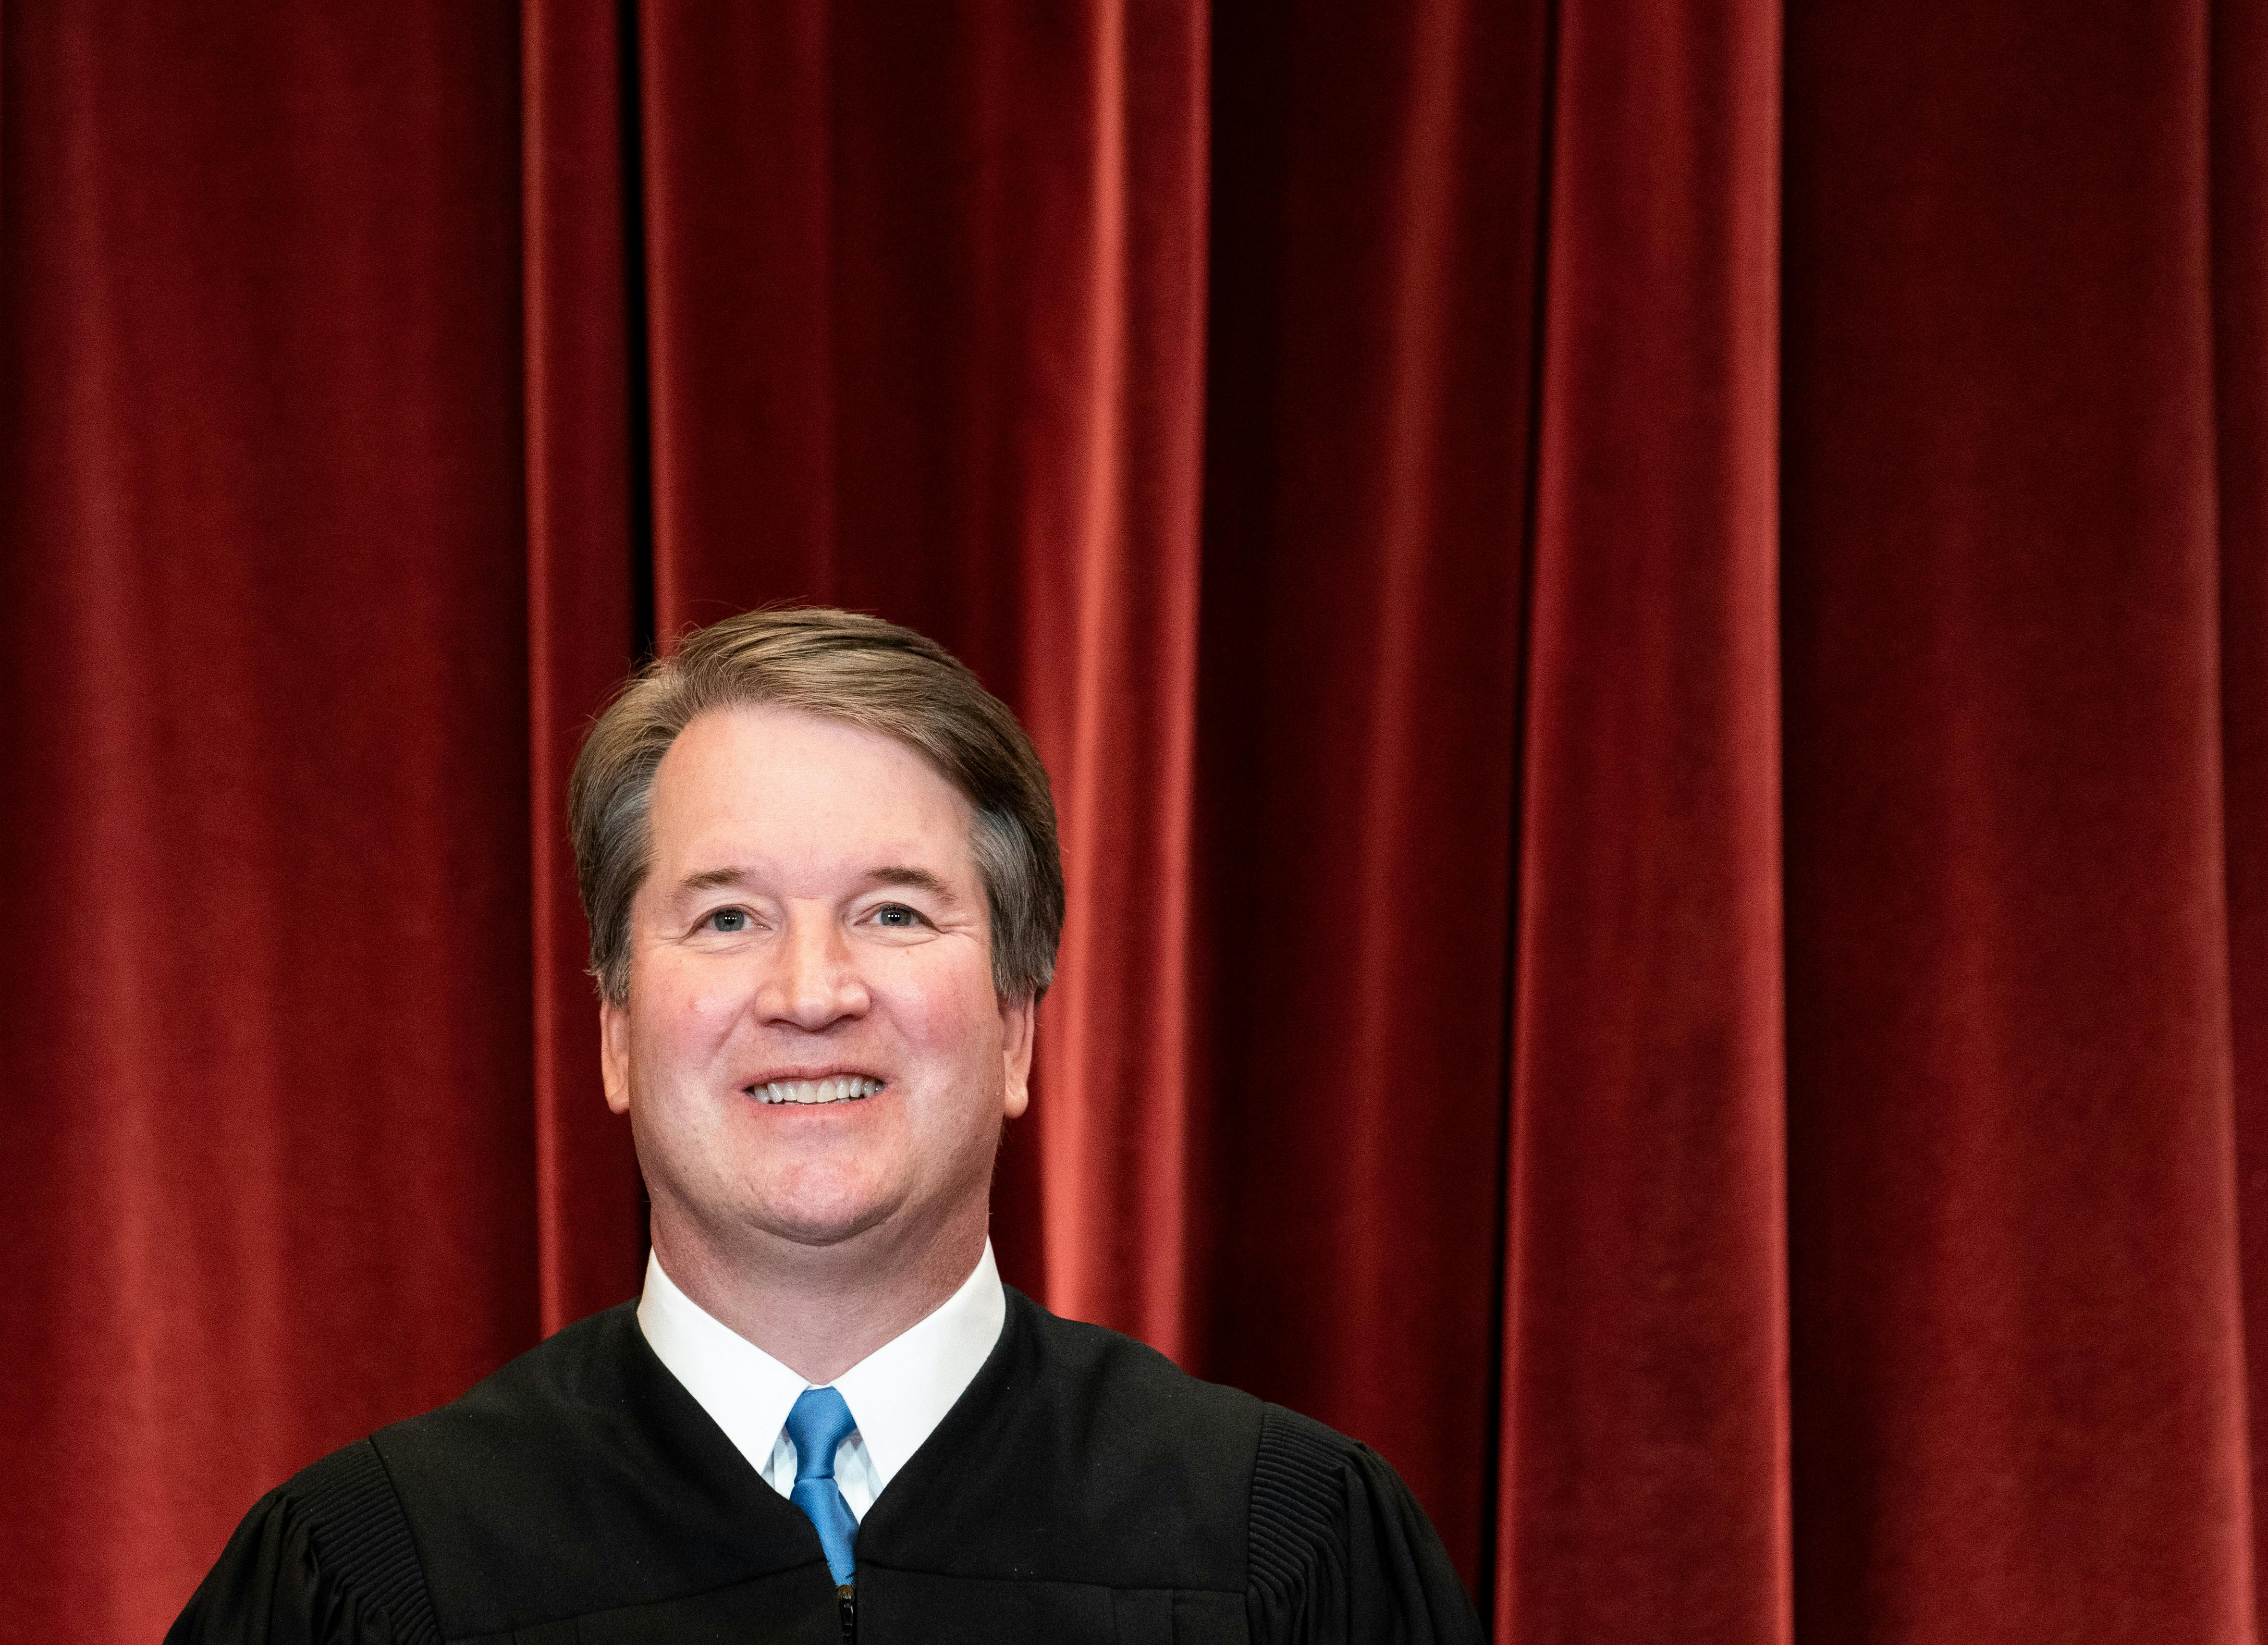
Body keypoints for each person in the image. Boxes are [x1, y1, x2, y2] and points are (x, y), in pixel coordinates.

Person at [169, 608, 1482, 1643]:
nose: (811, 994)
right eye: (728, 917)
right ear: (619, 1028)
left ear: (1019, 1025)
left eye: (896, 912)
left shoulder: (1283, 1555)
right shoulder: (370, 1580)